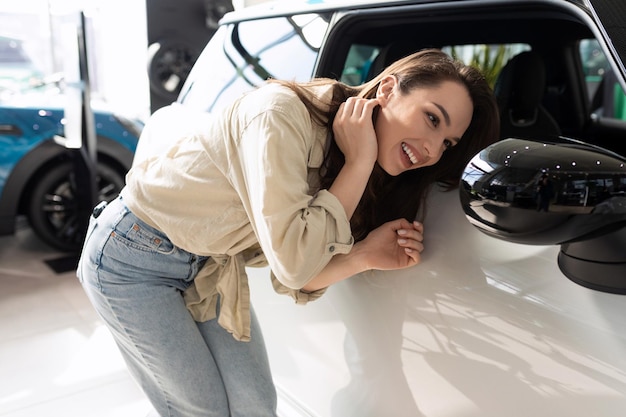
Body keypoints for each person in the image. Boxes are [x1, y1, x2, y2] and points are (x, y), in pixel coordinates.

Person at [77, 48, 499, 417]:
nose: (431, 149)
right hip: (131, 255)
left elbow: (294, 275)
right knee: (200, 409)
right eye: (431, 118)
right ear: (387, 90)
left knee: (255, 406)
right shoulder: (279, 115)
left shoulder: (366, 162)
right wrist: (358, 162)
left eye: (447, 142)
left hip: (207, 264)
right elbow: (297, 266)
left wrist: (364, 255)